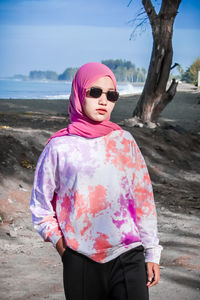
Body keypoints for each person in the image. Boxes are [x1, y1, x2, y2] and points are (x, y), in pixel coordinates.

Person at [30, 62, 162, 300]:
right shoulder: (58, 147)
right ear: (79, 93)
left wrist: (152, 253)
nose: (103, 101)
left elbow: (144, 200)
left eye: (111, 95)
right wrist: (64, 249)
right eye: (95, 92)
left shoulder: (124, 141)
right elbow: (40, 208)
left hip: (128, 254)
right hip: (81, 260)